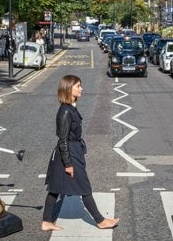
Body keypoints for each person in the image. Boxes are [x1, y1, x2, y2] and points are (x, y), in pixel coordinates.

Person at [42, 75, 120, 232]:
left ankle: (46, 222)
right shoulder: (65, 111)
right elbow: (63, 139)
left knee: (55, 189)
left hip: (73, 150)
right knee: (84, 187)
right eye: (78, 86)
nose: (81, 88)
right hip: (69, 153)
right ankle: (100, 221)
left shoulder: (70, 107)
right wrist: (68, 163)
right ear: (69, 89)